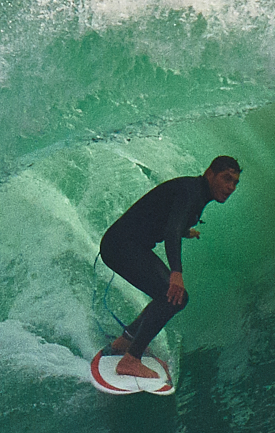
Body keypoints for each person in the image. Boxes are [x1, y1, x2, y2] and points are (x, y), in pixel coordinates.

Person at [100, 156, 241, 379]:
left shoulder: (196, 192)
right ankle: (130, 361)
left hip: (128, 245)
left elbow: (167, 217)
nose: (230, 187)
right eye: (226, 179)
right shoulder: (191, 192)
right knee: (173, 296)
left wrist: (187, 230)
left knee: (169, 296)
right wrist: (176, 272)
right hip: (121, 246)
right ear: (209, 173)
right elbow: (172, 230)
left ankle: (124, 342)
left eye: (234, 182)